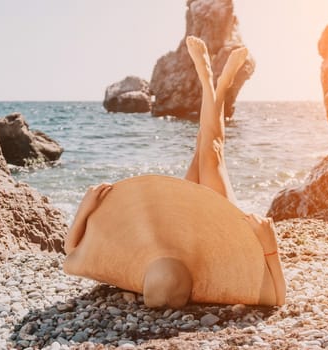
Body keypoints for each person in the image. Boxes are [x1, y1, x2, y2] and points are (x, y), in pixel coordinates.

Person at [64, 36, 286, 308]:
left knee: (200, 150)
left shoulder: (129, 275)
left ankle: (212, 83)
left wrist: (85, 209)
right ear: (195, 290)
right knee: (212, 152)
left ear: (142, 279)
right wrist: (269, 245)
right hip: (216, 237)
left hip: (175, 231)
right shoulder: (222, 290)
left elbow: (70, 254)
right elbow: (278, 298)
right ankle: (215, 83)